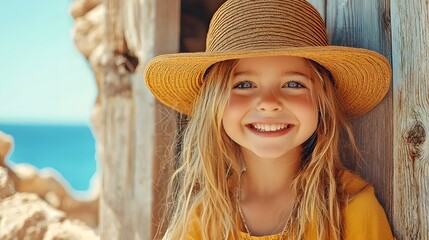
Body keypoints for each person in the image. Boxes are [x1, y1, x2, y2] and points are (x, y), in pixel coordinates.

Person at [144, 0, 394, 239]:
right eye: (244, 84)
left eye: (293, 83)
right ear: (215, 104)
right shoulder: (205, 217)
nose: (269, 102)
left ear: (322, 101)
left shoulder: (352, 210)